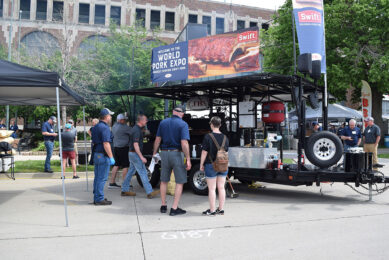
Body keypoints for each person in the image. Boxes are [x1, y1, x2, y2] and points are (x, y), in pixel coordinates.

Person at [153, 105, 191, 216]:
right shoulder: (183, 124)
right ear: (182, 114)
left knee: (164, 180)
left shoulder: (163, 123)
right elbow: (184, 143)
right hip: (177, 154)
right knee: (180, 181)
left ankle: (163, 205)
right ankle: (174, 208)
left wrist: (154, 153)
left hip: (164, 153)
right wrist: (188, 158)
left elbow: (157, 139)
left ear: (173, 112)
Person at [122, 114, 160, 198]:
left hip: (131, 153)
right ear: (141, 121)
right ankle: (149, 192)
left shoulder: (137, 129)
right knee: (143, 172)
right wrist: (141, 157)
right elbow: (135, 145)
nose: (146, 121)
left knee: (131, 171)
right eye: (146, 120)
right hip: (135, 154)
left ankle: (124, 190)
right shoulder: (136, 130)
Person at [200, 116, 229, 216]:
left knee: (212, 189)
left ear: (211, 124)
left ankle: (212, 210)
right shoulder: (225, 137)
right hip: (223, 164)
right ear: (220, 125)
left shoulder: (208, 136)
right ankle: (220, 209)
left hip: (211, 164)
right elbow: (226, 152)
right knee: (221, 188)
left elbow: (204, 152)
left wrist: (201, 164)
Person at [91, 108, 116, 206]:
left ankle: (96, 197)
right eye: (110, 115)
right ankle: (99, 199)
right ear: (106, 116)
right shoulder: (105, 128)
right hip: (103, 154)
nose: (110, 117)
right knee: (102, 178)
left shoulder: (96, 126)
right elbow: (106, 143)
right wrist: (111, 157)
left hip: (97, 154)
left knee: (97, 177)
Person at [110, 114, 132, 188]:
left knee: (116, 165)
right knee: (125, 165)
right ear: (120, 120)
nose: (125, 121)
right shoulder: (124, 127)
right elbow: (133, 132)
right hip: (123, 148)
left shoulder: (114, 126)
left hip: (116, 147)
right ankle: (125, 183)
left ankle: (112, 182)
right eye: (124, 119)